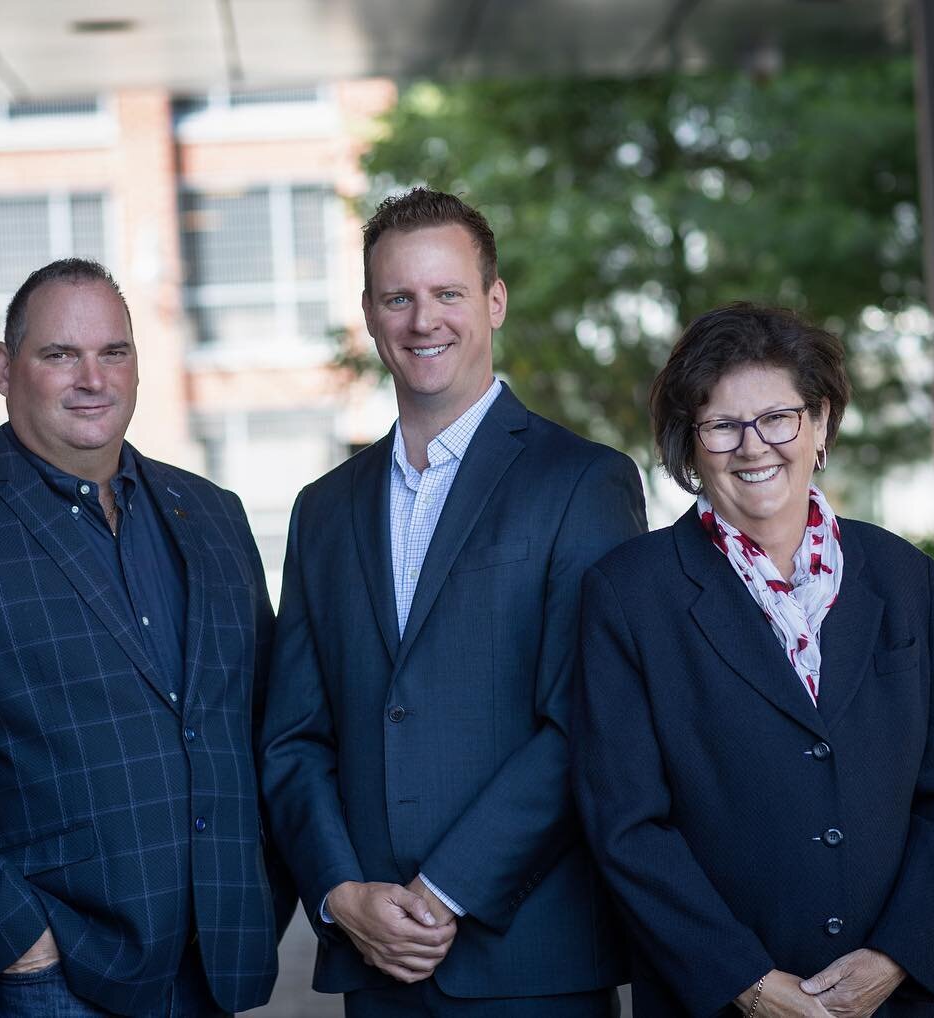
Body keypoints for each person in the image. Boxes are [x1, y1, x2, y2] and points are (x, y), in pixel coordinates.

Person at [260, 187, 646, 1017]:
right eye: (399, 297)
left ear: (494, 301)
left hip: (531, 963)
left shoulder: (583, 482)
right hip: (377, 961)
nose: (422, 320)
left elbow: (585, 719)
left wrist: (446, 889)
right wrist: (341, 893)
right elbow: (294, 737)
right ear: (369, 312)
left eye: (448, 294)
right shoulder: (322, 511)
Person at [571, 303, 934, 1018]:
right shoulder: (628, 593)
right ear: (691, 444)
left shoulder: (901, 575)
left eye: (778, 418)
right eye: (722, 425)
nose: (753, 446)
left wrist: (897, 957)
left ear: (820, 423)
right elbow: (626, 826)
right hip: (713, 1001)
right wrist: (751, 985)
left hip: (891, 1003)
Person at [0, 258, 286, 1018]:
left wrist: (266, 890)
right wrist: (5, 931)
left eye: (114, 352)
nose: (92, 378)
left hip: (215, 963)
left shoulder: (213, 514)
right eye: (59, 354)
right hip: (48, 975)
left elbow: (265, 721)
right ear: (5, 368)